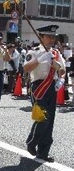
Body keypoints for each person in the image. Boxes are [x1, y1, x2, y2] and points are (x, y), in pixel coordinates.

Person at [24, 25, 65, 162]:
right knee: (42, 117)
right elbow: (26, 68)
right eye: (48, 36)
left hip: (52, 86)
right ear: (41, 37)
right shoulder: (34, 52)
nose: (51, 39)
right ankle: (32, 141)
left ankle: (43, 151)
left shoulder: (56, 53)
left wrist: (61, 78)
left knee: (50, 119)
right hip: (39, 86)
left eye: (53, 37)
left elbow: (62, 69)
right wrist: (40, 59)